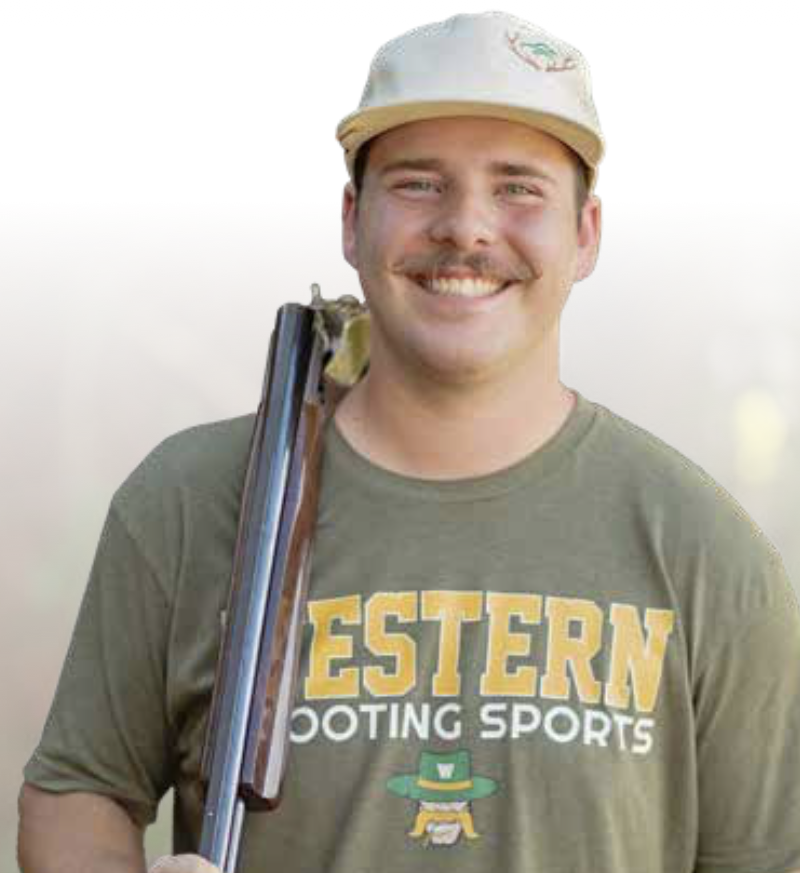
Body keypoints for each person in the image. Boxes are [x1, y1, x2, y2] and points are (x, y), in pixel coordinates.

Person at [17, 11, 800, 873]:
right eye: (420, 183)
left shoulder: (704, 551)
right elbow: (78, 789)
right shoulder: (195, 499)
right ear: (352, 219)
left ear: (586, 234)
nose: (466, 227)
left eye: (518, 188)